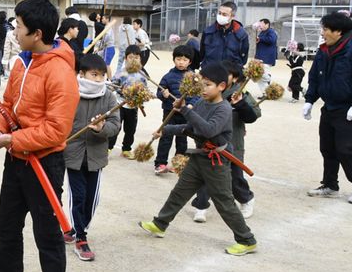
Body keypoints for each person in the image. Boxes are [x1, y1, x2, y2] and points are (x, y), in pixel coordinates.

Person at [0, 0, 79, 272]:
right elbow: (9, 105)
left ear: (37, 33)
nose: (14, 31)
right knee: (6, 223)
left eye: (19, 26)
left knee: (46, 232)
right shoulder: (22, 62)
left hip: (45, 163)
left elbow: (56, 130)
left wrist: (14, 139)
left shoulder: (60, 72)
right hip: (16, 159)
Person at [139, 62, 258, 256]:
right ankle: (160, 224)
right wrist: (166, 130)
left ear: (222, 86)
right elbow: (191, 128)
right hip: (199, 157)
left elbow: (208, 130)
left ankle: (247, 240)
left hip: (216, 161)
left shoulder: (224, 109)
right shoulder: (202, 103)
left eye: (208, 85)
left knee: (224, 202)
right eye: (201, 84)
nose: (203, 88)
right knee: (179, 192)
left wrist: (186, 110)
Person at [303, 13, 352, 204]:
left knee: (345, 149)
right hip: (329, 107)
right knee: (327, 148)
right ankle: (330, 185)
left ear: (339, 32)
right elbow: (315, 77)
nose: (322, 33)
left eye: (326, 29)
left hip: (348, 109)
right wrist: (310, 100)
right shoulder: (324, 51)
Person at [63, 53, 120, 261]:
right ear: (81, 74)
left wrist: (101, 128)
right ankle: (81, 238)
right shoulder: (69, 92)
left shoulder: (108, 97)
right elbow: (60, 120)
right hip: (73, 154)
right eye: (94, 74)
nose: (98, 79)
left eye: (102, 75)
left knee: (92, 199)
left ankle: (77, 229)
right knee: (78, 196)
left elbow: (115, 125)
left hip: (96, 156)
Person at [190, 60, 260, 222]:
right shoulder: (208, 91)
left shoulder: (241, 94)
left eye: (226, 74)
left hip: (233, 143)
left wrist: (241, 104)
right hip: (209, 142)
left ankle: (246, 199)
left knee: (234, 176)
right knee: (205, 174)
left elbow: (253, 116)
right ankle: (201, 206)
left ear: (234, 78)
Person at [153, 45, 194, 174]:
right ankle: (160, 163)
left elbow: (197, 95)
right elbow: (159, 92)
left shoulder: (194, 78)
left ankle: (179, 164)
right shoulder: (168, 76)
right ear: (174, 59)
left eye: (185, 60)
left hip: (185, 113)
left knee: (182, 139)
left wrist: (190, 105)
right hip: (169, 112)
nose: (181, 62)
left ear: (190, 62)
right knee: (166, 137)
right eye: (178, 59)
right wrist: (163, 95)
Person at [109, 45, 147, 158]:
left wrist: (141, 98)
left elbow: (144, 90)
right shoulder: (121, 72)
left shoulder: (142, 75)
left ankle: (126, 149)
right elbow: (113, 85)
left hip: (133, 106)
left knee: (130, 129)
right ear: (125, 59)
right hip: (120, 104)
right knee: (116, 127)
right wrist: (120, 89)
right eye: (130, 57)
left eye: (136, 57)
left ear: (140, 59)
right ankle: (108, 147)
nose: (133, 60)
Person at [198, 1, 249, 67]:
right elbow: (202, 54)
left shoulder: (241, 35)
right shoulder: (208, 32)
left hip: (230, 72)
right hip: (210, 71)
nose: (220, 16)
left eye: (224, 14)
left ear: (232, 16)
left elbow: (243, 58)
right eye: (219, 13)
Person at [254, 18, 278, 91]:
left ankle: (268, 78)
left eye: (261, 24)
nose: (259, 25)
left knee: (261, 74)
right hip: (261, 57)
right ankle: (265, 93)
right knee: (259, 77)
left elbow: (272, 40)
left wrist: (260, 39)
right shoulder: (262, 32)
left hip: (267, 57)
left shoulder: (271, 31)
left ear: (267, 24)